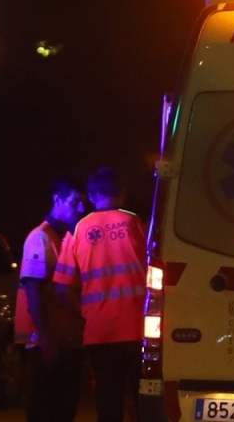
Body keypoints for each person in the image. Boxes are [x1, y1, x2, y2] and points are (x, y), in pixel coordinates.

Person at [54, 167, 146, 422]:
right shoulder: (134, 223)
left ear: (91, 196)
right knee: (141, 399)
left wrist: (84, 313)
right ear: (122, 194)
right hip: (137, 329)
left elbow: (62, 286)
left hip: (99, 331)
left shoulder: (78, 229)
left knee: (108, 399)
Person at [14, 177, 87, 422]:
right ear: (57, 200)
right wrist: (46, 339)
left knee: (64, 410)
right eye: (75, 201)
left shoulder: (67, 238)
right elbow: (33, 291)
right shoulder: (40, 238)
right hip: (48, 344)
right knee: (45, 410)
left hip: (67, 341)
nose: (81, 208)